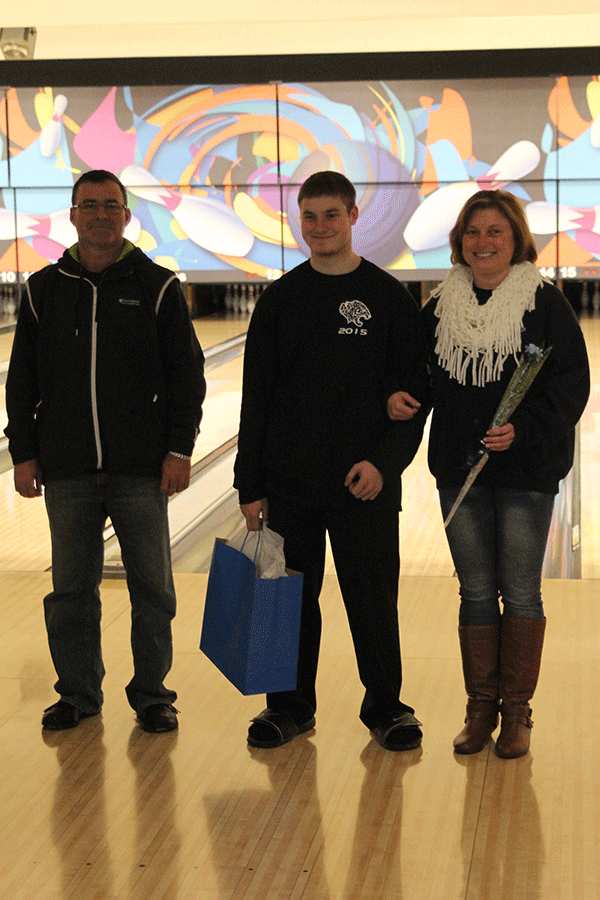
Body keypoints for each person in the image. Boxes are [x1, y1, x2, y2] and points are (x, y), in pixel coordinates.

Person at [4, 169, 206, 733]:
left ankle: (152, 695)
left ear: (125, 214)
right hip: (66, 467)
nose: (99, 214)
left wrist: (178, 450)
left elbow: (187, 378)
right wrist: (23, 450)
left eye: (109, 205)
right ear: (72, 215)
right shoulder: (43, 288)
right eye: (88, 205)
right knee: (70, 588)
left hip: (140, 467)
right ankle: (77, 693)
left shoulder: (158, 285)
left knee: (152, 587)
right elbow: (21, 380)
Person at [233, 171, 429, 751]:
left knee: (372, 598)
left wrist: (383, 465)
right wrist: (250, 484)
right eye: (310, 217)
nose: (320, 227)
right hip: (290, 482)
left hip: (363, 482)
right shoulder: (278, 301)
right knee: (287, 598)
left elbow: (413, 399)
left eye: (331, 216)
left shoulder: (388, 298)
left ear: (352, 216)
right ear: (301, 220)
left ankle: (387, 707)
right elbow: (256, 399)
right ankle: (288, 709)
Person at [391, 189, 589, 758]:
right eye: (473, 232)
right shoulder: (438, 308)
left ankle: (517, 715)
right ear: (460, 242)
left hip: (527, 471)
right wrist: (404, 399)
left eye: (494, 232)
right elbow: (423, 379)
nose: (483, 242)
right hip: (460, 469)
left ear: (515, 239)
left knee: (521, 591)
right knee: (476, 591)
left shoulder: (545, 304)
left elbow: (570, 385)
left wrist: (521, 430)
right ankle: (480, 709)